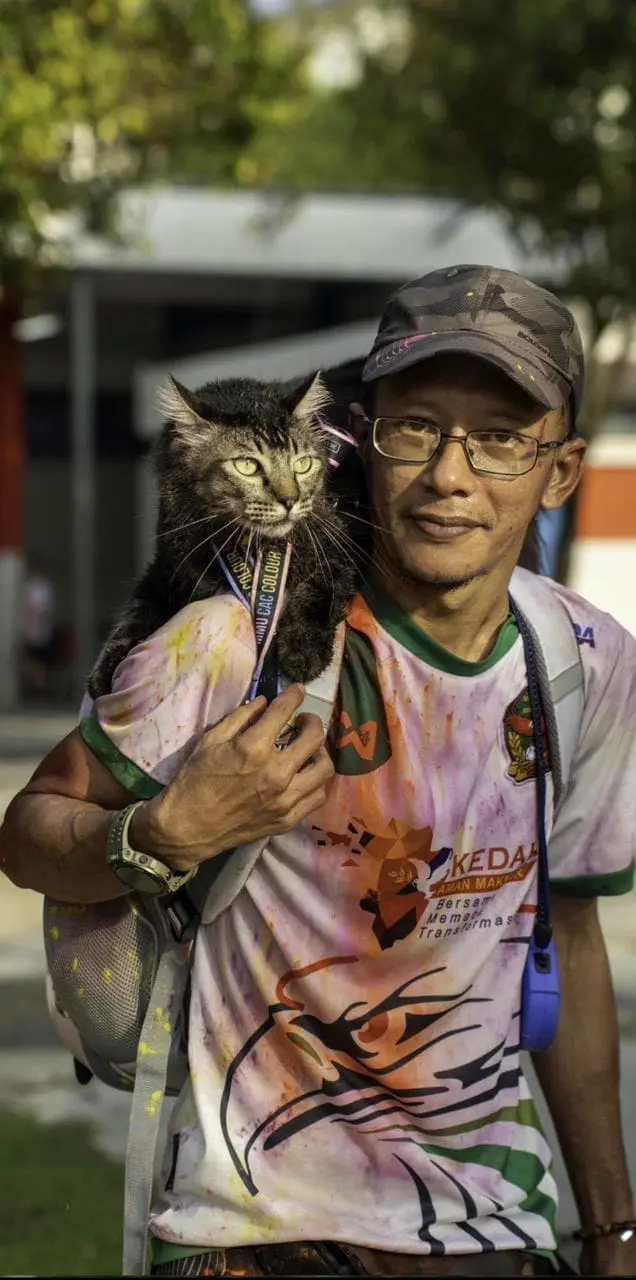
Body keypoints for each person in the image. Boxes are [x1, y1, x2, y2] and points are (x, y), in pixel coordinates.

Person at [1, 265, 635, 1279]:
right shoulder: (228, 641)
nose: (449, 474)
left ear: (558, 471)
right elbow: (34, 829)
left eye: (501, 438)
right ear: (360, 440)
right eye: (416, 427)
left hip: (494, 1235)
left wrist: (612, 1227)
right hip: (253, 1235)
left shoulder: (584, 658)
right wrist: (160, 835)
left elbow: (570, 934)